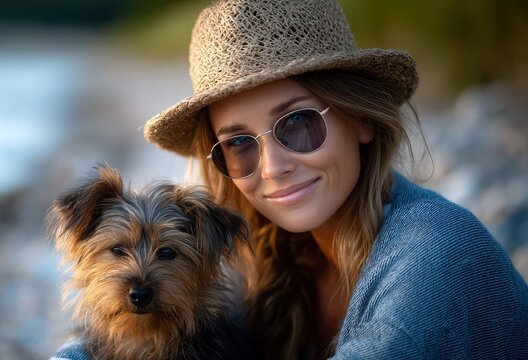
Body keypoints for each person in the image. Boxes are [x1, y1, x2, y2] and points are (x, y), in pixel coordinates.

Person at [52, 0, 528, 359]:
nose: (273, 166)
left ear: (361, 119)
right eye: (238, 142)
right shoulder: (271, 253)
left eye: (298, 123)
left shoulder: (435, 252)